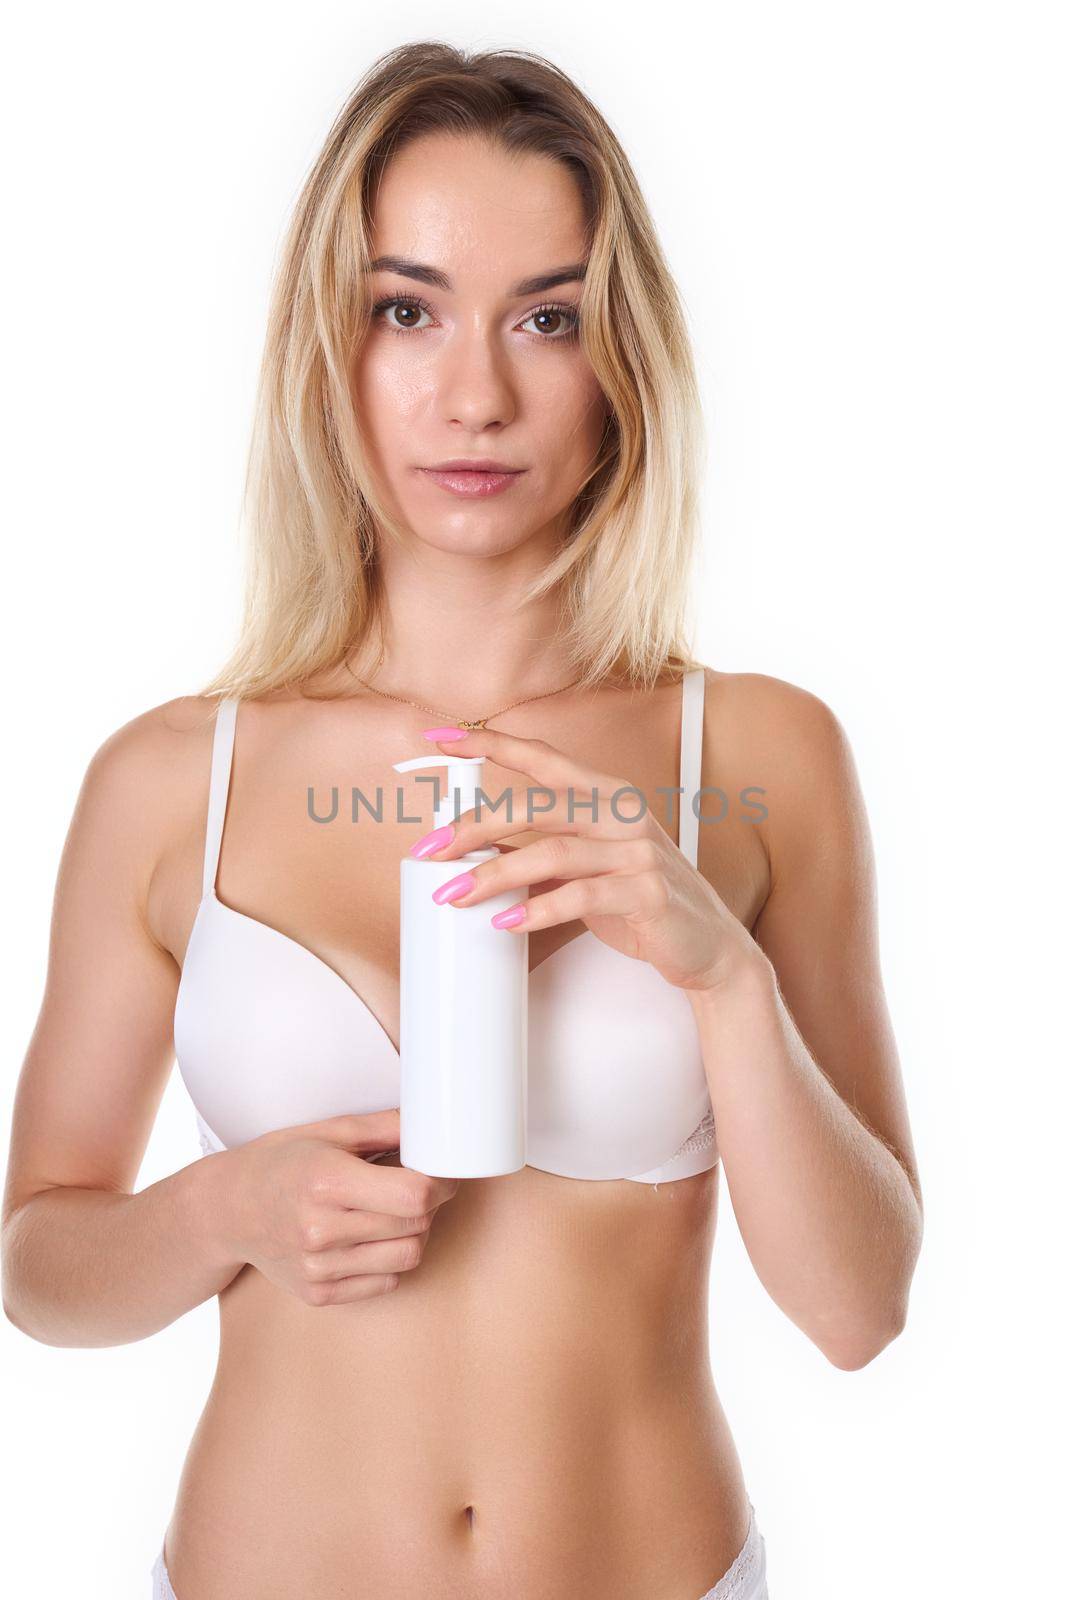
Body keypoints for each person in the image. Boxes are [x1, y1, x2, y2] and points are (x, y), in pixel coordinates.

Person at [0, 41, 923, 1600]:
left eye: (546, 318)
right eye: (406, 310)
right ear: (327, 346)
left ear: (618, 356)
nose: (476, 393)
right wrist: (220, 1209)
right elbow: (38, 1267)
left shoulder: (760, 756)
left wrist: (720, 976)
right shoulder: (171, 780)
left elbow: (859, 1312)